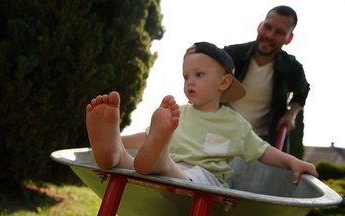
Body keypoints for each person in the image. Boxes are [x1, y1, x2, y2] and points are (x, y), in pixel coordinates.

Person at [85, 42, 317, 188]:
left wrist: (292, 161)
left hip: (208, 185)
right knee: (139, 164)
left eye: (199, 74)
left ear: (224, 82)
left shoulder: (235, 124)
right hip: (165, 173)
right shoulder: (178, 114)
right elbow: (147, 139)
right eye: (186, 76)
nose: (189, 82)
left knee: (170, 167)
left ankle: (159, 162)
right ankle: (115, 154)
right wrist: (118, 139)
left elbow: (263, 152)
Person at [224, 5, 309, 152]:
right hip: (223, 131)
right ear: (259, 26)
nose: (269, 35)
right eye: (267, 27)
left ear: (289, 38)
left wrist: (291, 114)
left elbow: (303, 91)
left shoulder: (291, 68)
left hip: (261, 141)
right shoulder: (231, 55)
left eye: (279, 32)